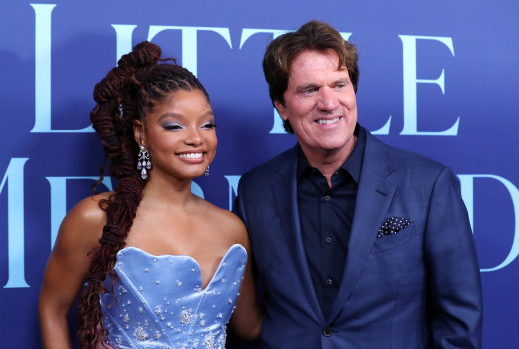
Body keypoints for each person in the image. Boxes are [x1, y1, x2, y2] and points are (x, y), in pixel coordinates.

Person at [233, 20, 482, 348]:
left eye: (339, 85)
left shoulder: (429, 184)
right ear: (282, 107)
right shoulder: (256, 191)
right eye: (309, 90)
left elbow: (459, 325)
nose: (329, 102)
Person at [38, 41, 261, 349]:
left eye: (207, 124)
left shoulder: (232, 228)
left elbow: (250, 327)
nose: (196, 137)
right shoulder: (96, 218)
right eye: (174, 126)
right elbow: (53, 308)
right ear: (140, 133)